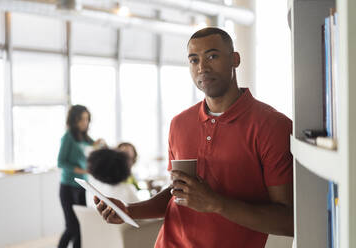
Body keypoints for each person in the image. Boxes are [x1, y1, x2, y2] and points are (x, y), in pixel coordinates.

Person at [95, 27, 293, 248]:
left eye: (212, 56)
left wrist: (217, 204)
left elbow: (288, 220)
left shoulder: (273, 126)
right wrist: (129, 210)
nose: (202, 67)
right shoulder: (179, 124)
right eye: (193, 60)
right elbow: (178, 194)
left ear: (235, 59)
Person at [57, 104, 104, 248]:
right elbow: (61, 162)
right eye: (81, 120)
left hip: (82, 186)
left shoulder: (85, 138)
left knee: (81, 226)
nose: (85, 123)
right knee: (72, 227)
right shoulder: (68, 137)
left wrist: (100, 143)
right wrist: (81, 170)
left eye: (87, 119)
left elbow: (94, 147)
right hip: (68, 187)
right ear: (73, 121)